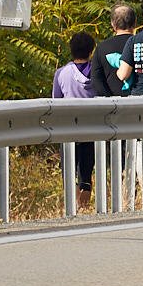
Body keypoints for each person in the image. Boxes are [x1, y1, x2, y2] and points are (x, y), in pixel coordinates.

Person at [53, 30, 98, 197]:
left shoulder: (61, 73)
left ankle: (71, 206)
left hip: (68, 129)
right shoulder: (96, 72)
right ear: (91, 50)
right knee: (86, 175)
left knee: (69, 172)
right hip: (91, 128)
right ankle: (84, 208)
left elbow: (55, 102)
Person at [86, 3, 137, 98]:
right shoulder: (141, 44)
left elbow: (96, 80)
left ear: (113, 24)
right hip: (141, 102)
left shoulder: (102, 47)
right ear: (134, 23)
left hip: (113, 106)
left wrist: (109, 99)